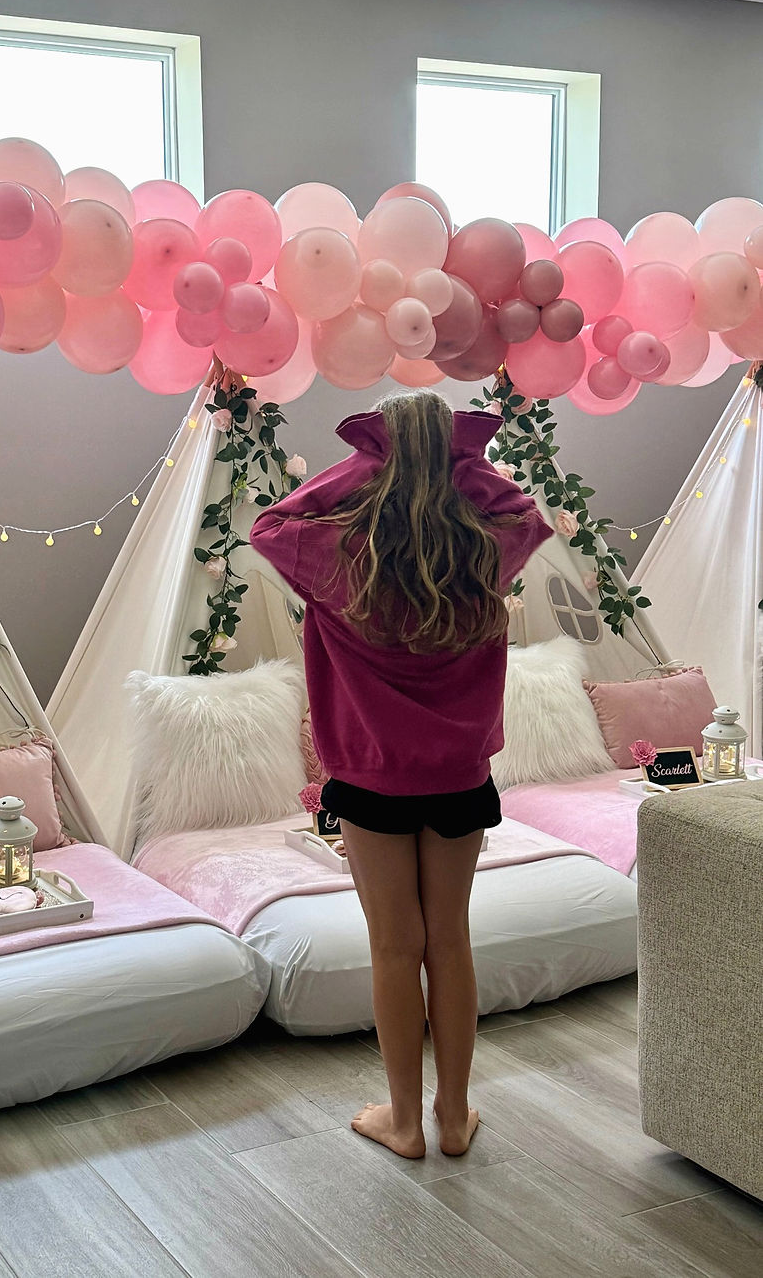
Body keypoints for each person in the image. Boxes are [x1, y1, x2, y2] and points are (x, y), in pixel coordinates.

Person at [250, 389, 552, 1160]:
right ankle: (454, 1116)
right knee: (449, 940)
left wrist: (377, 457)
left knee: (394, 946)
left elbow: (270, 523)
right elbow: (529, 513)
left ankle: (405, 1121)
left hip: (370, 774)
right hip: (459, 771)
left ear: (375, 453)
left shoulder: (335, 556)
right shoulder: (485, 546)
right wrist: (456, 458)